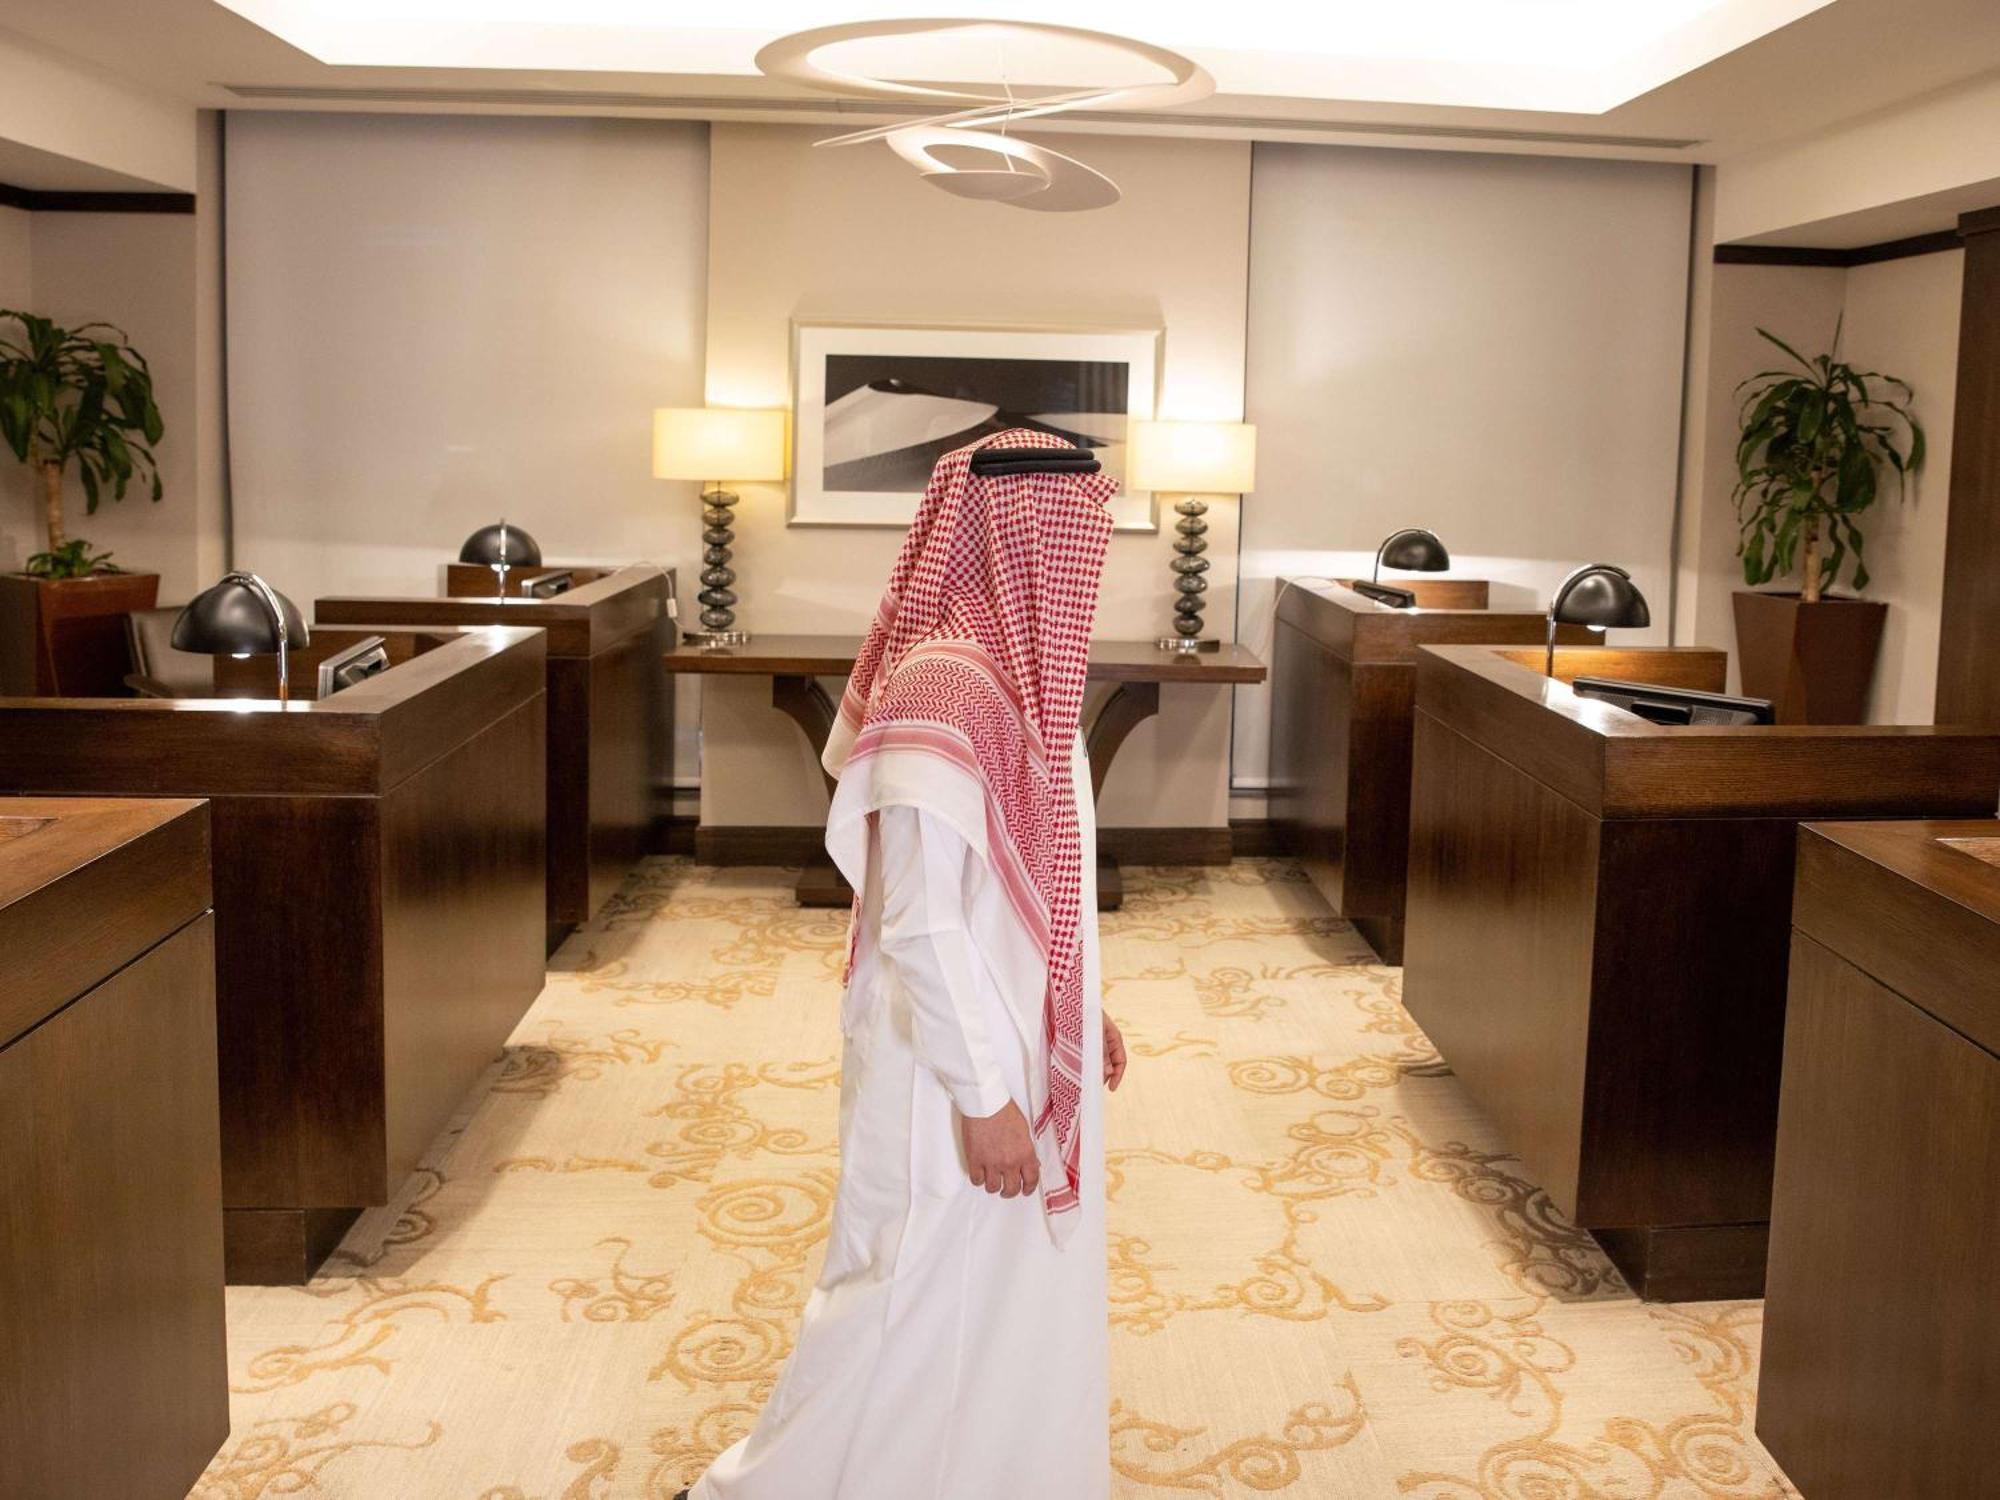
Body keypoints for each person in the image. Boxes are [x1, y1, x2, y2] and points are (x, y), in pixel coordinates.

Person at [679, 428, 1128, 1500]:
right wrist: (983, 1095)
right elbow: (922, 927)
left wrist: (1080, 1006)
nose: (1089, 555)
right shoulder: (944, 690)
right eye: (1071, 531)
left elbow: (1040, 883)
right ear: (1013, 536)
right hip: (949, 1068)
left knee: (1009, 1298)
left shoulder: (1022, 684)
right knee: (905, 1292)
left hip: (1011, 1034)